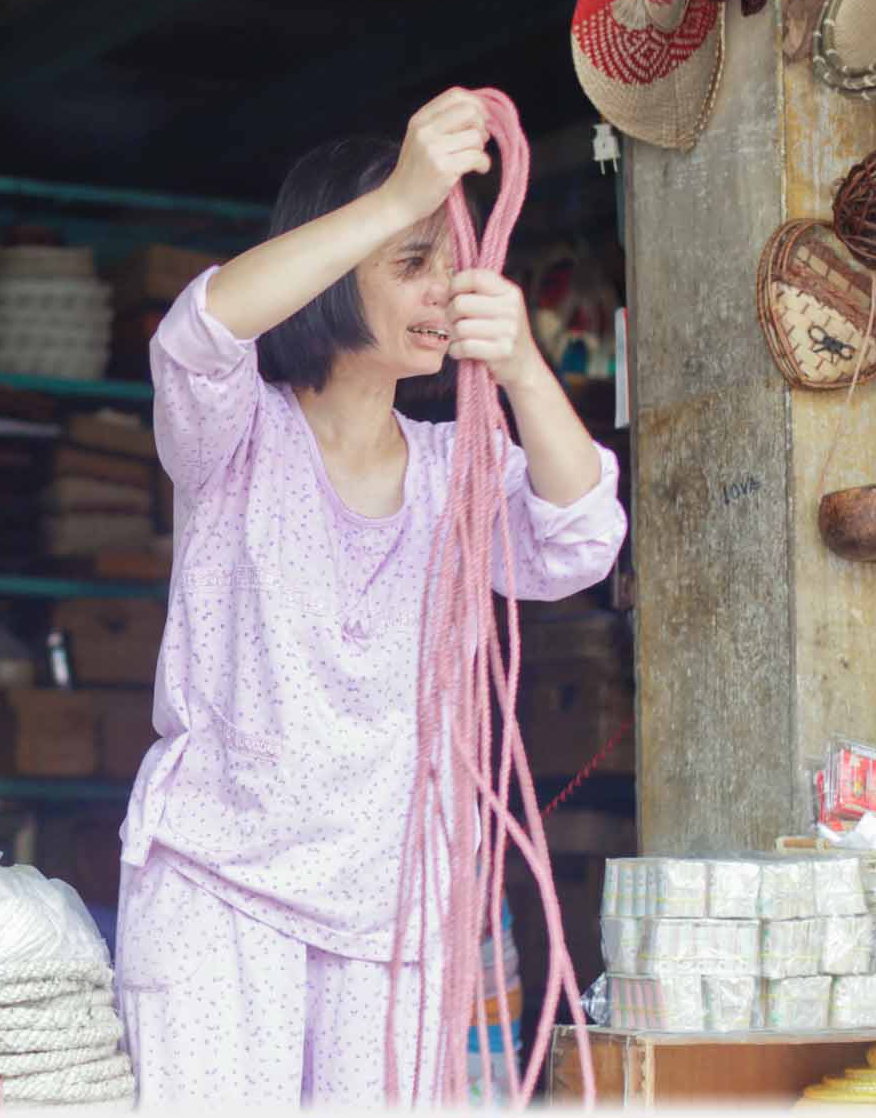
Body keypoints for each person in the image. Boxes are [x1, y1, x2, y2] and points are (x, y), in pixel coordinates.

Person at [112, 89, 628, 1106]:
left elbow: (582, 539)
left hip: (392, 912)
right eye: (412, 261)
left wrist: (521, 360)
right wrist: (398, 193)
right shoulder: (236, 438)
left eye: (452, 261)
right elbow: (199, 330)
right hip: (221, 882)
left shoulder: (457, 468)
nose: (445, 289)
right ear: (333, 271)